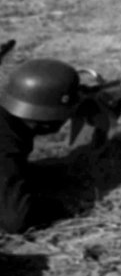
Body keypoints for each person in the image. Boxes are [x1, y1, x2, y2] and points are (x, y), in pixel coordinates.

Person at [1, 59, 80, 233]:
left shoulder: (7, 120)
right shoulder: (5, 145)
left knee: (53, 173)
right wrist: (57, 208)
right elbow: (15, 221)